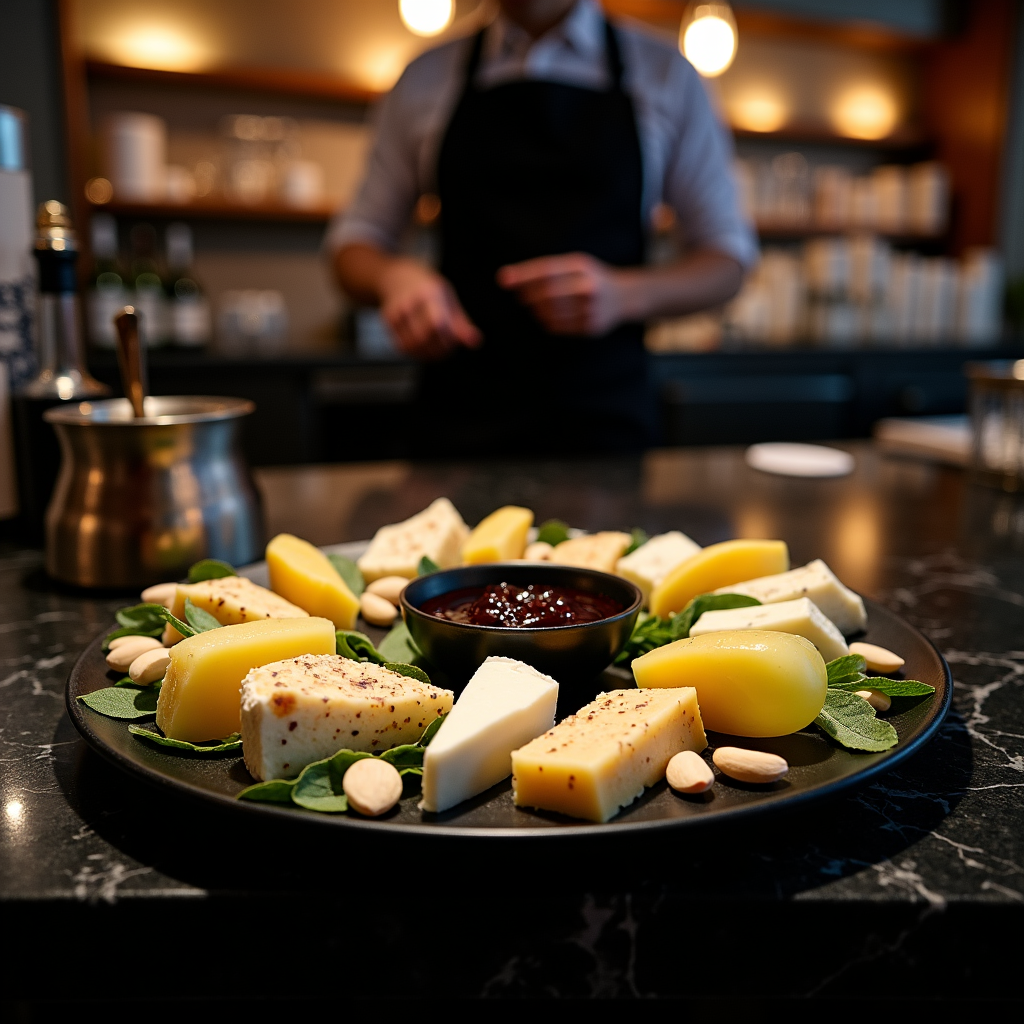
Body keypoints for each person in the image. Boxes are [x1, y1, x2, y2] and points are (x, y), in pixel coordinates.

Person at [329, 0, 756, 455]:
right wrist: (394, 277)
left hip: (605, 424)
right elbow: (354, 244)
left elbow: (728, 259)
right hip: (460, 420)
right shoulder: (425, 77)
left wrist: (625, 294)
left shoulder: (667, 74)